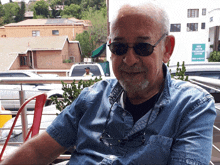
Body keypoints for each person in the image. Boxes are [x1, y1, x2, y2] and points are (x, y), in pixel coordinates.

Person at [0, 1, 216, 164]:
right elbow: (39, 150)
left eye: (142, 48)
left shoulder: (192, 107)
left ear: (166, 49)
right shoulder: (92, 97)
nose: (129, 60)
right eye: (119, 48)